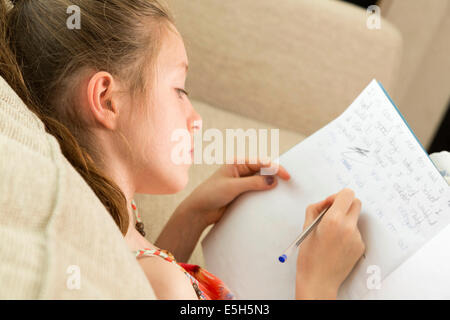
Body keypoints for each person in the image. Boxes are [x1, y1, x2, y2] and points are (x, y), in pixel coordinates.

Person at [0, 0, 365, 299]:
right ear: (107, 100)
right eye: (179, 91)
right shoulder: (162, 282)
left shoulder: (117, 226)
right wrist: (318, 283)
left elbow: (143, 275)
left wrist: (192, 215)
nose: (196, 119)